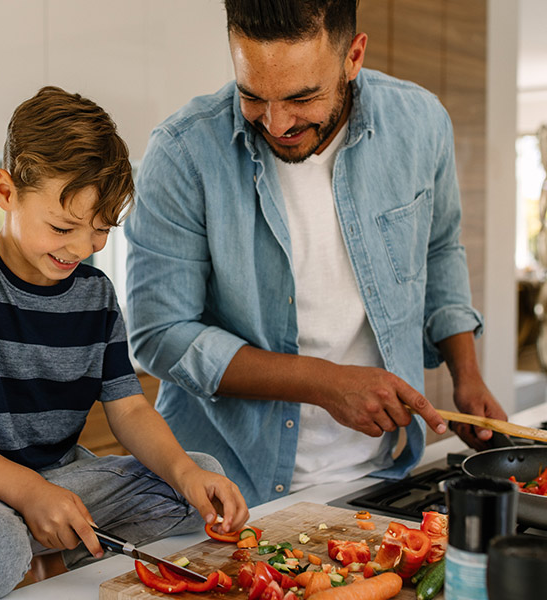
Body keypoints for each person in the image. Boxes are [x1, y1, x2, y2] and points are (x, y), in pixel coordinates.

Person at [124, 0, 508, 507]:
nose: (277, 123)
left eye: (302, 97)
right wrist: (324, 383)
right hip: (221, 489)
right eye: (252, 95)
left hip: (378, 478)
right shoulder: (183, 153)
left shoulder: (420, 124)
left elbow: (439, 250)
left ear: (353, 56)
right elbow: (158, 336)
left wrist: (467, 374)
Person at [0, 86, 248, 600]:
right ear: (7, 193)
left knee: (201, 481)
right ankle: (38, 543)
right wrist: (29, 492)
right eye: (63, 226)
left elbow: (128, 409)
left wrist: (184, 471)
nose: (82, 248)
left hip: (60, 482)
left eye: (100, 230)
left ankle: (46, 541)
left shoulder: (95, 294)